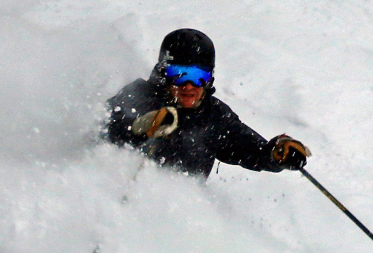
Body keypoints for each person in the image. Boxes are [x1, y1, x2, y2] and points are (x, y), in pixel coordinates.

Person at [104, 28, 310, 178]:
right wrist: (139, 129)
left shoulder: (214, 116)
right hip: (118, 207)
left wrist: (276, 154)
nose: (189, 85)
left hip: (172, 218)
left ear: (209, 78)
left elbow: (252, 151)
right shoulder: (139, 95)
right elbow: (101, 129)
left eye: (198, 76)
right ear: (164, 73)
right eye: (179, 74)